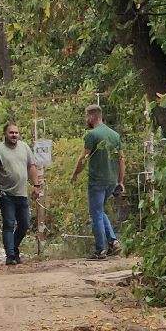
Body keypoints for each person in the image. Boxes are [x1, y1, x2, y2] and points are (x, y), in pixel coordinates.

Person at [70, 104, 126, 259]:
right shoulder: (115, 135)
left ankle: (100, 250)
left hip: (97, 180)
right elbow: (121, 159)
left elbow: (83, 158)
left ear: (91, 116)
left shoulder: (92, 135)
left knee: (96, 214)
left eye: (86, 116)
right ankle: (113, 242)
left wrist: (75, 174)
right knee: (99, 211)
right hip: (111, 180)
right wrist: (120, 181)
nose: (85, 119)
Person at [0, 122, 40, 266]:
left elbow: (32, 166)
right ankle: (10, 255)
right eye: (11, 133)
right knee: (9, 223)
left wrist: (36, 185)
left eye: (16, 132)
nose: (14, 135)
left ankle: (14, 247)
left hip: (21, 193)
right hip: (5, 194)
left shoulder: (24, 147)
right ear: (5, 134)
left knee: (24, 224)